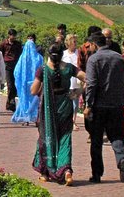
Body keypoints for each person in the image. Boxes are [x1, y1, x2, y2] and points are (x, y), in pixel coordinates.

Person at [31, 43, 86, 185]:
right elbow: (88, 79)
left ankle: (45, 172)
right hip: (65, 106)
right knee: (65, 138)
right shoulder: (69, 68)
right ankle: (66, 171)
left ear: (48, 55)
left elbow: (33, 90)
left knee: (46, 137)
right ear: (62, 54)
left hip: (48, 110)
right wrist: (78, 92)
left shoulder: (43, 69)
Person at [84, 32, 124, 183]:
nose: (88, 48)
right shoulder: (118, 57)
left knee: (96, 140)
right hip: (117, 103)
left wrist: (88, 105)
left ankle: (97, 174)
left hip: (99, 105)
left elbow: (91, 84)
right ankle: (122, 158)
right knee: (117, 136)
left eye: (89, 45)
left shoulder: (93, 59)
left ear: (95, 44)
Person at [12, 33, 43, 125]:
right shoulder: (39, 58)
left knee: (25, 100)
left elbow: (16, 72)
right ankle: (35, 118)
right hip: (35, 83)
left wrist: (19, 80)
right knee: (35, 100)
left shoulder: (22, 58)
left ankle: (26, 118)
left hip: (24, 83)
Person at [62, 33, 83, 131]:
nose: (75, 43)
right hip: (67, 81)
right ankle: (67, 121)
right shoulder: (64, 54)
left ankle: (73, 122)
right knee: (67, 103)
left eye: (76, 41)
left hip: (76, 81)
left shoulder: (79, 53)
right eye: (73, 41)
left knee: (75, 104)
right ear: (68, 43)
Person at [0, 29, 22, 111]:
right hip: (7, 66)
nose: (13, 37)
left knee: (15, 85)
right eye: (12, 35)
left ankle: (11, 103)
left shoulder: (18, 44)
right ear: (9, 35)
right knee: (10, 85)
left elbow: (20, 54)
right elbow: (1, 54)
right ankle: (10, 103)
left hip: (16, 65)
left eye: (14, 35)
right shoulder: (3, 44)